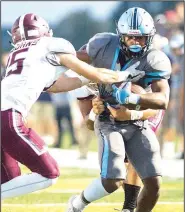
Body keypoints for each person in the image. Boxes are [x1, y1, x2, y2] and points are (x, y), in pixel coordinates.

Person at [1, 13, 139, 200]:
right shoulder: (51, 45)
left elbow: (57, 86)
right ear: (44, 31)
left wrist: (83, 80)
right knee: (49, 173)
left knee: (9, 181)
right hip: (7, 120)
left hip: (6, 117)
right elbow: (97, 74)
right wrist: (125, 75)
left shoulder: (16, 55)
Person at [64, 7, 171, 212]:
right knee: (112, 180)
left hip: (141, 117)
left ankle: (132, 211)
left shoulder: (154, 58)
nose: (136, 42)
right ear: (120, 35)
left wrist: (131, 101)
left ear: (150, 37)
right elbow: (73, 60)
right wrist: (95, 112)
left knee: (154, 181)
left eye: (141, 38)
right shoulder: (100, 48)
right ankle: (78, 203)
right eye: (131, 37)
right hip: (108, 120)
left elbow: (162, 100)